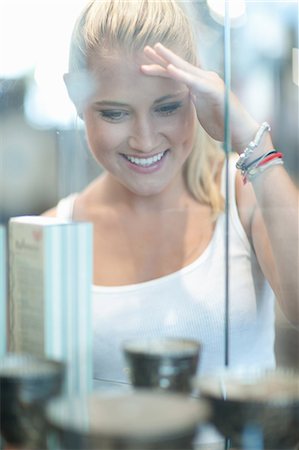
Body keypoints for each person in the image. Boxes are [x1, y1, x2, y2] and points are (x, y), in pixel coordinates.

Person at [45, 0, 298, 390]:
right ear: (76, 99)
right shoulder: (52, 233)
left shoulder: (242, 194)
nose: (144, 140)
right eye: (115, 113)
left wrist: (252, 139)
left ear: (198, 92)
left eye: (167, 108)